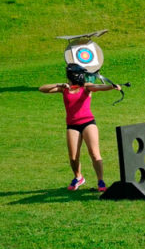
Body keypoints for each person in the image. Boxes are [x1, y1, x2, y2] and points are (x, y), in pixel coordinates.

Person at [39, 63, 121, 192]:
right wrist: (59, 85)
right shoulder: (64, 88)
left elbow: (98, 87)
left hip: (88, 123)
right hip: (72, 125)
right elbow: (42, 89)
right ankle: (78, 177)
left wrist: (112, 86)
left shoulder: (86, 87)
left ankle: (101, 181)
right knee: (73, 157)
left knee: (94, 153)